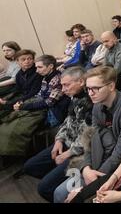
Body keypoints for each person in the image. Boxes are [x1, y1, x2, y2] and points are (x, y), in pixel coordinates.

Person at [53, 66, 121, 203]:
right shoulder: (98, 105)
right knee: (58, 193)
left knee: (64, 195)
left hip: (116, 167)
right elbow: (90, 138)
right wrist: (86, 167)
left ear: (111, 86)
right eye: (88, 89)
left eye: (95, 88)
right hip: (97, 159)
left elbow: (120, 153)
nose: (90, 93)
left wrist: (91, 180)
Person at [23, 67, 93, 202]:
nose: (63, 89)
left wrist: (67, 154)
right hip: (66, 142)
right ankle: (58, 179)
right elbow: (68, 120)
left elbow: (88, 136)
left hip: (79, 152)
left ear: (81, 82)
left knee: (44, 188)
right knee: (30, 167)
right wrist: (59, 140)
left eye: (67, 85)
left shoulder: (91, 101)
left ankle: (64, 189)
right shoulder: (74, 97)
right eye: (62, 85)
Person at [0, 55, 70, 160]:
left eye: (39, 67)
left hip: (52, 113)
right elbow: (39, 95)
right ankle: (9, 152)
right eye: (36, 67)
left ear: (50, 66)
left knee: (14, 129)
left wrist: (25, 106)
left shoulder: (58, 80)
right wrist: (22, 103)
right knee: (7, 122)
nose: (37, 71)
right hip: (40, 106)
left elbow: (49, 103)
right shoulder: (46, 77)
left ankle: (14, 154)